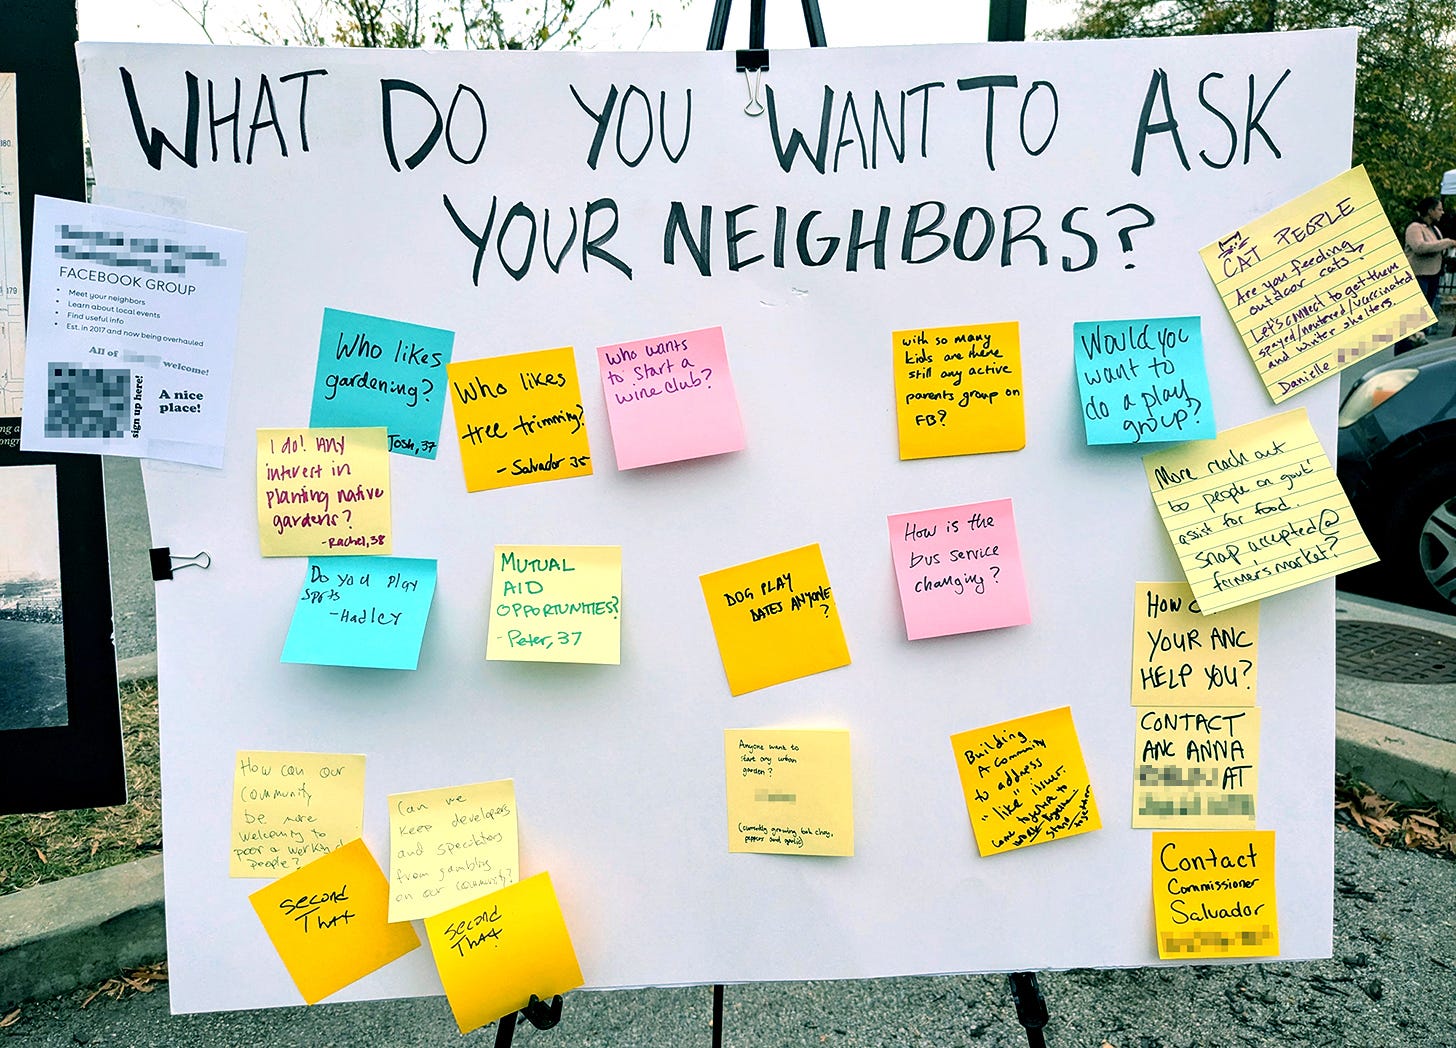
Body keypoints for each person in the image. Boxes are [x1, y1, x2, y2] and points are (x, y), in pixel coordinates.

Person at [1403, 196, 1456, 343]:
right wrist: (1447, 242)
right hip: (1419, 274)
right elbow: (1419, 247)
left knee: (1426, 310)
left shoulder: (1434, 229)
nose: (1442, 212)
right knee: (1416, 312)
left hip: (1433, 273)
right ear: (1429, 211)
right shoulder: (1414, 227)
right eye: (1439, 209)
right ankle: (1409, 342)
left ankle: (1420, 338)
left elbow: (1437, 247)